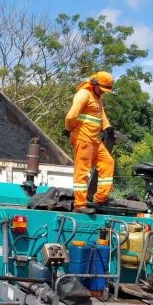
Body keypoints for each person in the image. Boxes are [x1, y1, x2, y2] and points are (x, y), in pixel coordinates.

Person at [63, 71, 115, 215]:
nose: (103, 93)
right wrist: (68, 129)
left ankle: (99, 199)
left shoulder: (97, 97)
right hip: (83, 137)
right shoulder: (83, 94)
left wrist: (106, 126)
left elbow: (100, 113)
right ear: (94, 84)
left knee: (108, 163)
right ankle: (80, 205)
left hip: (94, 140)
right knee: (82, 170)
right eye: (102, 89)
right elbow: (71, 116)